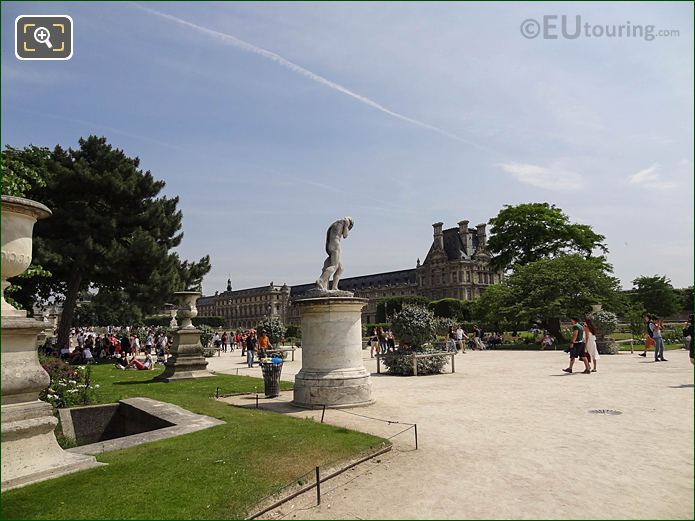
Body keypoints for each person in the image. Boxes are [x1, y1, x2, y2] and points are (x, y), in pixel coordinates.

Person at [316, 216, 354, 291]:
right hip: (335, 245)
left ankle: (334, 287)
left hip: (329, 246)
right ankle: (320, 280)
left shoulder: (334, 224)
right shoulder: (346, 222)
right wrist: (347, 226)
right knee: (334, 266)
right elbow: (345, 235)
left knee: (340, 268)